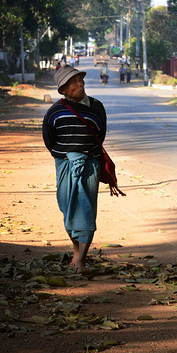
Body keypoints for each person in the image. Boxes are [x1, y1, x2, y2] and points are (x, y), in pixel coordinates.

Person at [42, 66, 108, 273]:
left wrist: (85, 156)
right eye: (74, 82)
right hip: (65, 165)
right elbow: (49, 139)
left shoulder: (97, 107)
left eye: (80, 80)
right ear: (62, 89)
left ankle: (81, 260)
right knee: (67, 208)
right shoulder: (54, 111)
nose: (80, 84)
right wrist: (67, 156)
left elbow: (101, 135)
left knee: (87, 211)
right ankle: (76, 250)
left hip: (90, 166)